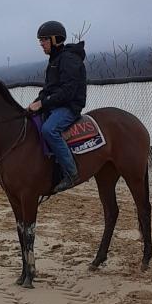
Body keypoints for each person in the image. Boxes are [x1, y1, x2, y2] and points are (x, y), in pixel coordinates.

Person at [28, 21, 87, 193]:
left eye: (44, 40)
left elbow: (68, 92)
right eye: (40, 40)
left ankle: (71, 172)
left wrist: (43, 103)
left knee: (49, 129)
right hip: (55, 105)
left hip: (69, 107)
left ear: (55, 39)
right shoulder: (54, 60)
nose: (41, 44)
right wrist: (35, 103)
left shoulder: (69, 59)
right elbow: (48, 89)